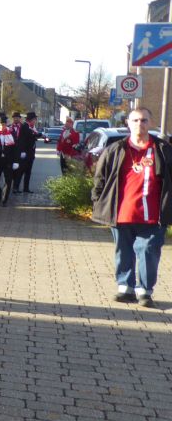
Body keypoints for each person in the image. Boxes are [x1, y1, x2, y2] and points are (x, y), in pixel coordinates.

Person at [90, 107, 172, 308]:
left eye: (144, 120)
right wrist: (98, 201)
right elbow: (100, 178)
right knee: (123, 251)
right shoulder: (116, 149)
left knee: (148, 251)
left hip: (153, 215)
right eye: (135, 120)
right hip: (122, 212)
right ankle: (125, 287)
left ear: (151, 123)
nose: (139, 124)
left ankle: (144, 290)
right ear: (128, 123)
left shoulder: (163, 150)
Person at [14, 111, 42, 192]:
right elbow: (31, 135)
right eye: (34, 119)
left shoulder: (32, 127)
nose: (35, 121)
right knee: (21, 171)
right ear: (31, 119)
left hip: (30, 153)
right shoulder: (25, 126)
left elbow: (32, 136)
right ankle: (16, 187)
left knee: (28, 171)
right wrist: (40, 135)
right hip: (24, 153)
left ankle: (26, 188)